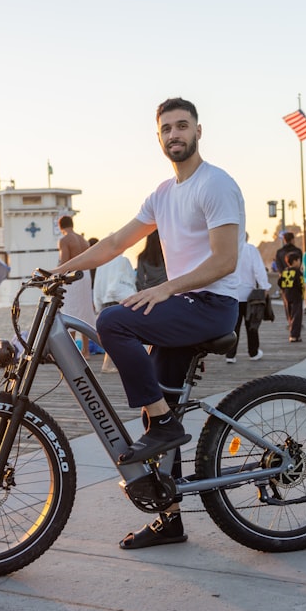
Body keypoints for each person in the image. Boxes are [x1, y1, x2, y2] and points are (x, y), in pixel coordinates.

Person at [50, 97, 244, 550]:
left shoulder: (216, 185)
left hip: (211, 304)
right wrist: (58, 272)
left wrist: (166, 289)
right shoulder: (163, 193)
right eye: (167, 129)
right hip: (186, 305)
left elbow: (225, 260)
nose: (175, 134)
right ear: (158, 138)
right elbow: (116, 241)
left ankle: (165, 424)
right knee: (155, 408)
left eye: (182, 126)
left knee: (115, 321)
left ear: (198, 131)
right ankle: (169, 519)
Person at [225, 234, 270, 363]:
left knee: (233, 327)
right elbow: (259, 270)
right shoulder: (250, 249)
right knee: (252, 324)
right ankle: (253, 353)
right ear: (247, 237)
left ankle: (230, 355)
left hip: (232, 294)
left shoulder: (229, 249)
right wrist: (264, 286)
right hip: (249, 295)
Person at [92, 247, 138, 374]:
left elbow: (98, 283)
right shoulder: (123, 261)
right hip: (121, 299)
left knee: (109, 335)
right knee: (124, 334)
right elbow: (130, 279)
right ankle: (115, 364)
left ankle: (107, 365)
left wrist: (97, 302)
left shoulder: (102, 263)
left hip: (105, 300)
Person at [57, 214, 97, 356]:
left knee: (70, 311)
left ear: (60, 226)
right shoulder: (83, 239)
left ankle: (73, 351)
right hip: (85, 275)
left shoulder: (64, 239)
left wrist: (56, 273)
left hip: (72, 276)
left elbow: (65, 262)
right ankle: (85, 350)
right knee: (84, 312)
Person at [273, 231, 301, 319]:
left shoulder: (279, 252)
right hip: (295, 279)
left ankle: (290, 319)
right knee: (297, 303)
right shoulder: (297, 251)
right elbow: (299, 266)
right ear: (292, 240)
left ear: (284, 240)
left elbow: (279, 266)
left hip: (285, 280)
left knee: (287, 302)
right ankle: (296, 321)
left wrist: (283, 274)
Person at [278, 251, 304, 342]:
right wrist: (301, 292)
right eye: (299, 260)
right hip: (296, 295)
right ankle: (294, 335)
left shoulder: (285, 271)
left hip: (286, 295)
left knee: (289, 314)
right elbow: (301, 283)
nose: (300, 262)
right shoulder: (297, 272)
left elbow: (279, 282)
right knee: (297, 315)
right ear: (295, 261)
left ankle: (291, 331)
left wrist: (284, 290)